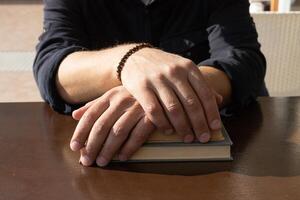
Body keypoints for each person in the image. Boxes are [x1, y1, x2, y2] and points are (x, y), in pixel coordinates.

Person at [33, 0, 267, 167]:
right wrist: (129, 61)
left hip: (212, 159)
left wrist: (158, 91)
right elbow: (53, 66)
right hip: (105, 162)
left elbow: (244, 60)